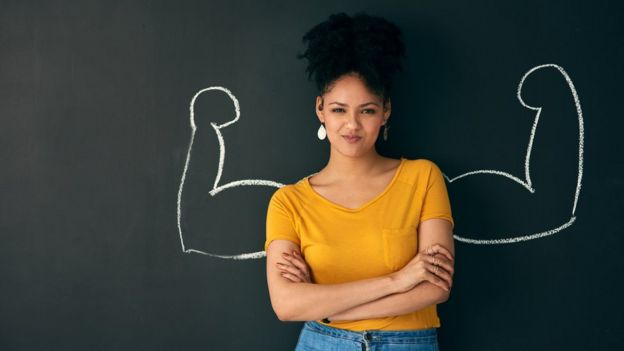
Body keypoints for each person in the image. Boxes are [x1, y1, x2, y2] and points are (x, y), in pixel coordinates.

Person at [264, 12, 455, 351]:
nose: (351, 125)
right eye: (339, 110)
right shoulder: (288, 202)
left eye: (366, 110)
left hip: (406, 344)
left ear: (386, 111)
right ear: (320, 109)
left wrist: (328, 309)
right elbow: (287, 305)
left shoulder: (422, 177)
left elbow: (436, 287)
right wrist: (399, 280)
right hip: (322, 344)